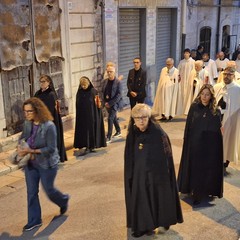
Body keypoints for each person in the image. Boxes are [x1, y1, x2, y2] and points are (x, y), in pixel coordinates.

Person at [124, 104, 183, 238]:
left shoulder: (157, 132)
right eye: (137, 118)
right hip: (139, 174)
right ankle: (143, 226)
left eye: (144, 117)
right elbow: (129, 155)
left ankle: (160, 221)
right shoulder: (132, 133)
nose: (141, 121)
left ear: (149, 118)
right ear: (133, 119)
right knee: (140, 198)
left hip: (156, 174)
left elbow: (166, 156)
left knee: (157, 197)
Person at [17, 97, 69, 232]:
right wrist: (20, 147)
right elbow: (23, 137)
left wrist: (31, 150)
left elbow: (51, 149)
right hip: (31, 163)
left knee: (49, 191)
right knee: (31, 192)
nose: (26, 114)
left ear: (37, 111)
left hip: (47, 164)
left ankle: (63, 200)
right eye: (25, 111)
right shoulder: (28, 124)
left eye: (29, 111)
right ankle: (34, 220)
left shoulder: (49, 126)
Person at [177, 84, 223, 205]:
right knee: (194, 169)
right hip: (194, 144)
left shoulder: (215, 111)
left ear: (211, 96)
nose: (204, 97)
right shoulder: (194, 107)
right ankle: (194, 192)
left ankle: (204, 192)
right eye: (202, 94)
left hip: (208, 147)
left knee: (205, 170)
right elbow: (188, 126)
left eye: (207, 94)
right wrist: (186, 140)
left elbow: (217, 131)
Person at [34, 75, 67, 162]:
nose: (42, 84)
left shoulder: (51, 94)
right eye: (40, 82)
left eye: (44, 82)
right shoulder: (38, 94)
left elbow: (53, 109)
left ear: (48, 82)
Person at [214, 67, 240, 167]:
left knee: (228, 141)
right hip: (217, 120)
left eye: (229, 74)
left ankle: (225, 162)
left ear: (233, 76)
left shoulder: (238, 90)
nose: (226, 76)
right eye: (225, 74)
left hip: (231, 121)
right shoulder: (217, 87)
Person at [73, 76, 106, 155]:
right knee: (84, 132)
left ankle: (91, 146)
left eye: (85, 85)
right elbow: (78, 103)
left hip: (92, 116)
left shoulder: (93, 92)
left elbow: (98, 104)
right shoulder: (80, 92)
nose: (84, 87)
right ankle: (86, 146)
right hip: (83, 117)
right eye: (82, 85)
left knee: (91, 131)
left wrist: (97, 115)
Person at [103, 66, 124, 143]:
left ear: (114, 72)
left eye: (111, 71)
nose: (109, 73)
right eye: (108, 71)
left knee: (110, 118)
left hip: (115, 104)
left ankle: (108, 137)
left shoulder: (118, 82)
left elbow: (119, 95)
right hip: (107, 103)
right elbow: (103, 92)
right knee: (114, 117)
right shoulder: (105, 81)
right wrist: (105, 102)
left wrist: (110, 103)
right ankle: (118, 131)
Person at [178, 48, 195, 113]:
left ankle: (188, 108)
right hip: (182, 80)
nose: (185, 54)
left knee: (188, 94)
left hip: (189, 80)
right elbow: (178, 70)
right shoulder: (181, 62)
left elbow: (194, 71)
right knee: (182, 93)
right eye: (184, 53)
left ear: (189, 54)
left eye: (187, 53)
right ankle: (182, 108)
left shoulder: (193, 62)